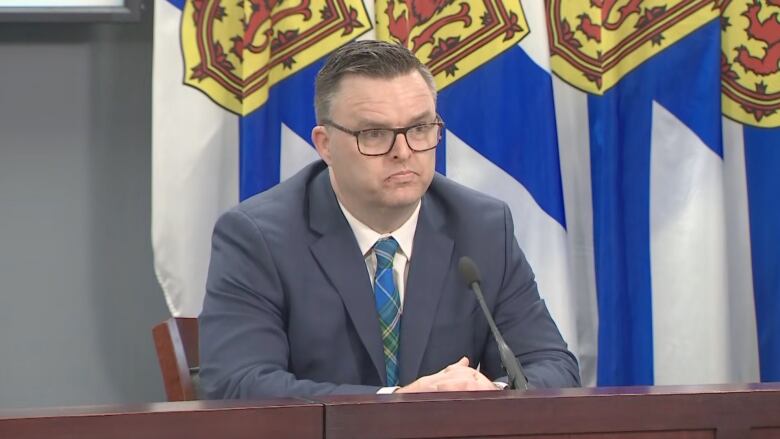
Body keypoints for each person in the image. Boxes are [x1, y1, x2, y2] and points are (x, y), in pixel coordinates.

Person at [199, 40, 580, 399]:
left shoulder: (482, 226)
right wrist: (396, 402)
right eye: (375, 133)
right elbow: (238, 383)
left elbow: (552, 366)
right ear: (325, 144)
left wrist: (483, 394)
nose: (403, 152)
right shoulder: (258, 237)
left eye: (419, 128)